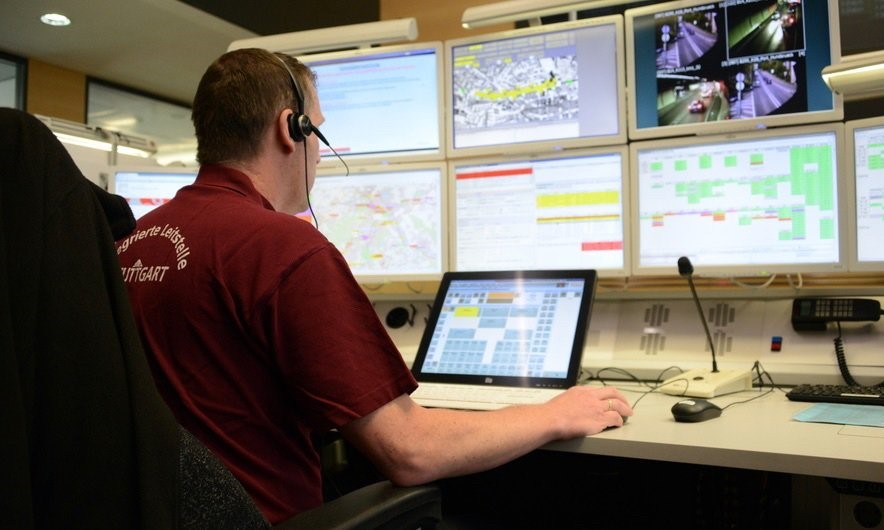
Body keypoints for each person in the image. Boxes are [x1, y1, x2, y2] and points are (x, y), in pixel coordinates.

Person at [116, 48, 633, 525]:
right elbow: (410, 450)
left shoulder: (135, 240)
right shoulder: (282, 247)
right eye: (316, 132)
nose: (318, 153)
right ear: (286, 130)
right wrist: (554, 413)